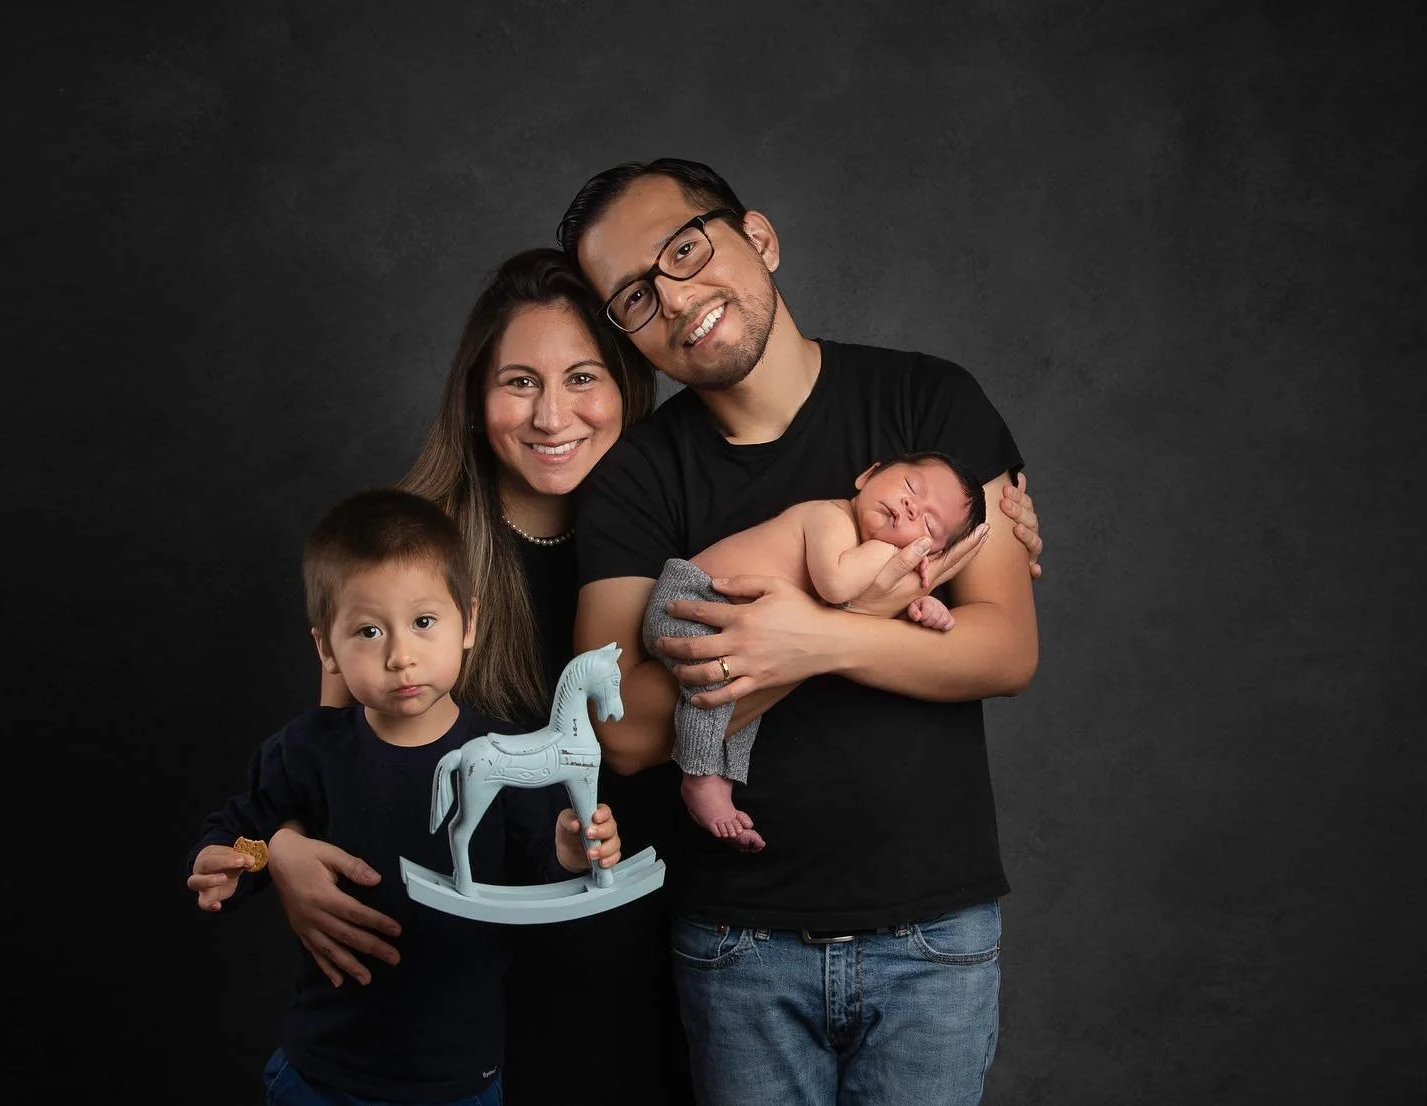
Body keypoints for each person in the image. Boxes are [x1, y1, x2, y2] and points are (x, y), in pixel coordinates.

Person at [558, 157, 1041, 1105]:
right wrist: (846, 618)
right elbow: (620, 729)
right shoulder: (634, 481)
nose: (674, 298)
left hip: (934, 935)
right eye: (635, 297)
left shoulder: (929, 403)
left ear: (760, 238)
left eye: (685, 251)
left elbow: (1004, 649)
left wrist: (822, 637)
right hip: (739, 946)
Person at [254, 250, 699, 1103]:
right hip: (455, 1000)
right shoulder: (410, 560)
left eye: (582, 378)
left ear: (627, 388)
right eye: (519, 382)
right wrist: (275, 850)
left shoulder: (675, 533)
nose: (552, 415)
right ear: (474, 396)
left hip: (650, 966)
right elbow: (326, 765)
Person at [185, 487, 624, 1105]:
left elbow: (540, 880)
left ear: (468, 622)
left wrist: (574, 855)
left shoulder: (507, 755)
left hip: (458, 1078)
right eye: (368, 631)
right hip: (323, 1072)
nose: (400, 656)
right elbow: (243, 830)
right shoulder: (306, 749)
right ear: (326, 649)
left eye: (423, 622)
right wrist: (227, 863)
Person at [642, 449, 986, 851]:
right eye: (910, 486)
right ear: (868, 476)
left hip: (742, 627)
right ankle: (697, 774)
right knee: (718, 680)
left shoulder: (864, 555)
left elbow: (869, 616)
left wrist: (922, 605)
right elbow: (837, 589)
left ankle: (721, 775)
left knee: (753, 687)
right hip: (690, 599)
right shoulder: (829, 516)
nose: (911, 507)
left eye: (928, 523)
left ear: (932, 554)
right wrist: (889, 552)